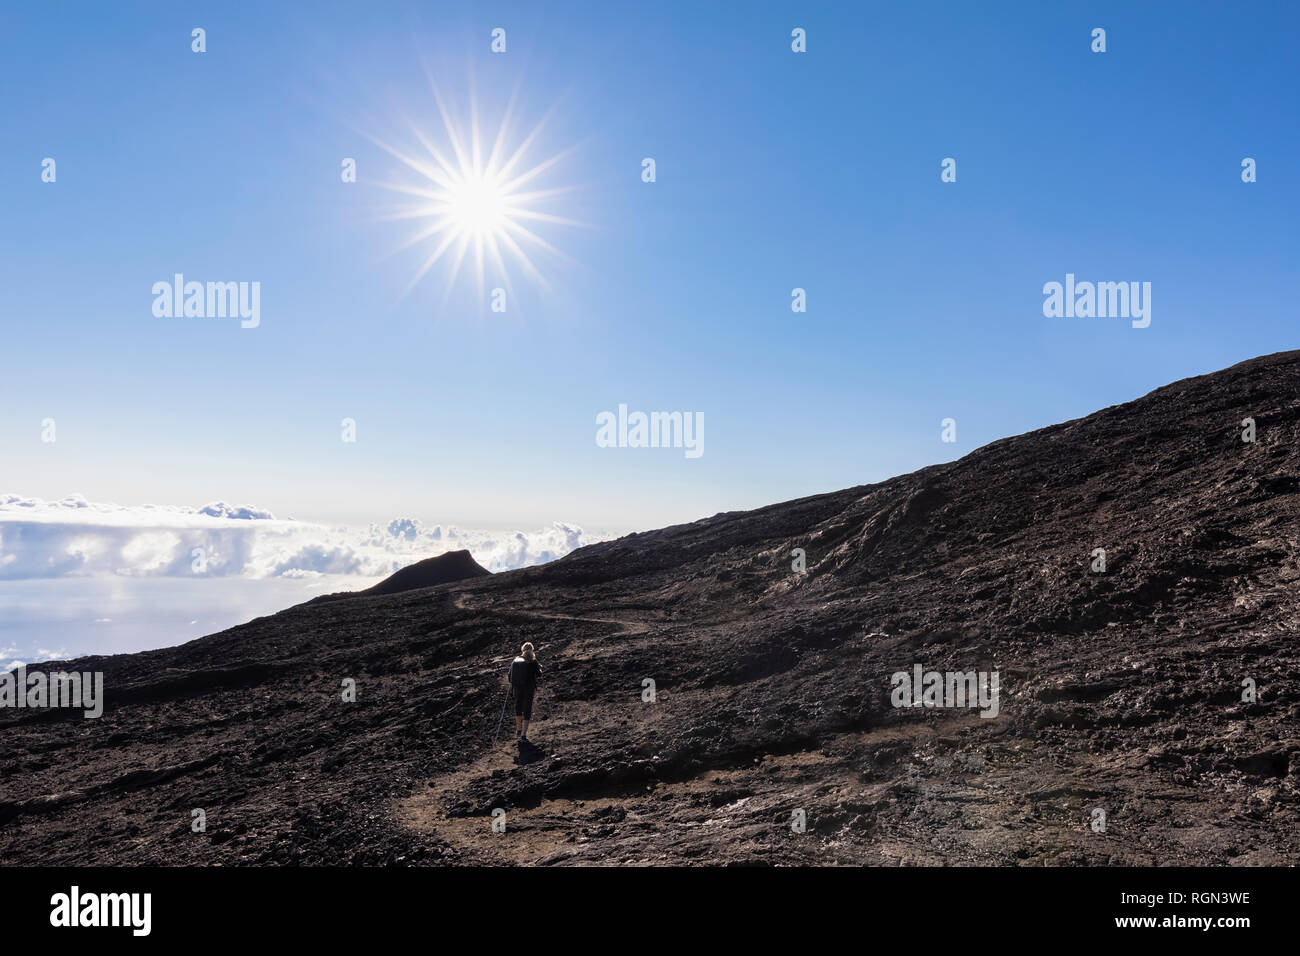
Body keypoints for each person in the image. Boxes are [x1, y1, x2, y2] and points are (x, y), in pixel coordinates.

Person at [508, 642, 541, 741]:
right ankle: (523, 735)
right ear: (532, 650)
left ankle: (518, 728)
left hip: (517, 688)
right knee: (527, 709)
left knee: (518, 706)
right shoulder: (533, 661)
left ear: (522, 650)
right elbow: (539, 674)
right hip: (528, 689)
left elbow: (509, 676)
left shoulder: (515, 660)